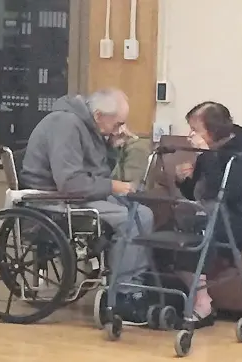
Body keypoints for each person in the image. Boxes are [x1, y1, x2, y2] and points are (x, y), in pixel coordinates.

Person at [20, 88, 154, 325]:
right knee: (129, 219)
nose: (121, 127)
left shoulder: (90, 127)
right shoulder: (66, 125)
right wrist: (113, 186)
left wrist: (113, 147)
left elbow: (97, 172)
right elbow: (70, 183)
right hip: (54, 200)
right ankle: (122, 295)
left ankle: (132, 286)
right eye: (119, 122)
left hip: (78, 195)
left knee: (143, 213)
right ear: (100, 115)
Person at [173, 101, 242, 329]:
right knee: (174, 231)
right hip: (214, 213)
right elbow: (200, 194)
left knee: (201, 228)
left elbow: (225, 193)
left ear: (214, 130)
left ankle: (202, 304)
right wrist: (185, 182)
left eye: (195, 130)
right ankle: (199, 299)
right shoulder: (208, 151)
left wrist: (207, 156)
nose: (189, 136)